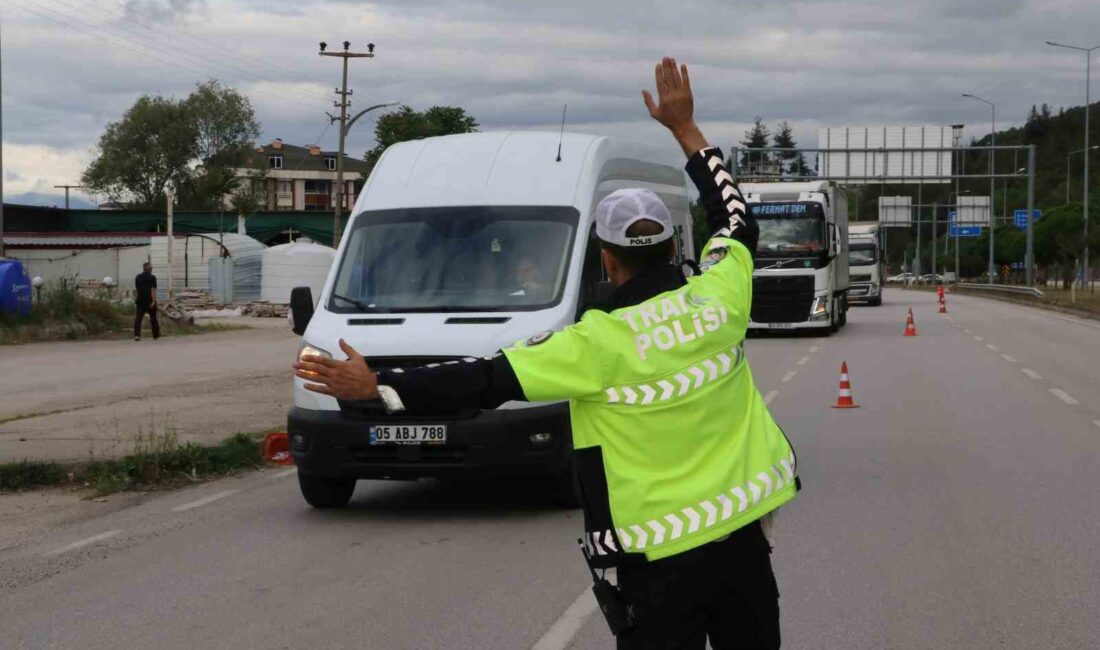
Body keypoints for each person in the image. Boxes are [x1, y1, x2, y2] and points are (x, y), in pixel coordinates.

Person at [294, 57, 798, 649]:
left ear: (606, 257)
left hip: (658, 559)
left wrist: (378, 386)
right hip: (743, 544)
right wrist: (685, 129)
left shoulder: (593, 344)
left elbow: (482, 381)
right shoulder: (721, 295)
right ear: (669, 247)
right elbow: (734, 216)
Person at [133, 262, 160, 341]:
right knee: (153, 318)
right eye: (151, 268)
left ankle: (136, 335)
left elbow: (137, 290)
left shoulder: (138, 277)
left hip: (140, 301)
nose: (152, 269)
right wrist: (154, 301)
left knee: (138, 318)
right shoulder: (152, 278)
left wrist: (136, 298)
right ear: (149, 269)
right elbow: (153, 290)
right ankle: (156, 334)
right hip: (149, 301)